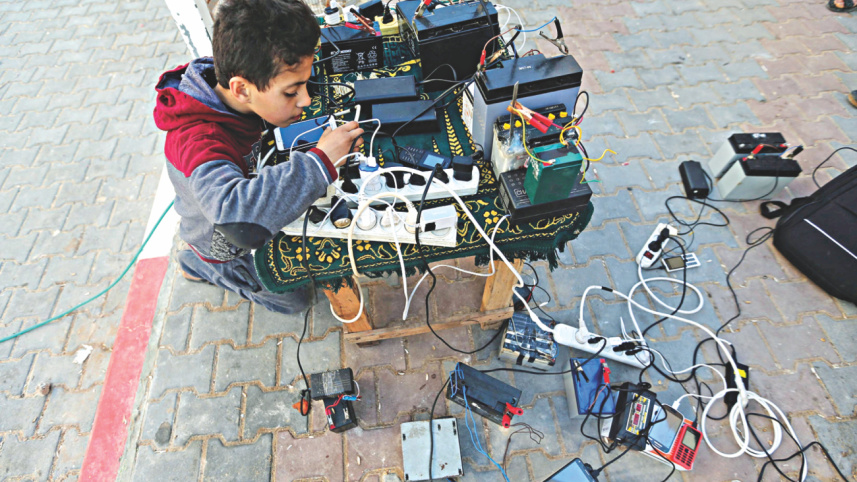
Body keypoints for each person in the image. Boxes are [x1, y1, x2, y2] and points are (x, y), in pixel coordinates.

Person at [153, 0, 364, 314]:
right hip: (223, 244)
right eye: (292, 92)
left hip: (239, 187)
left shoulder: (240, 75)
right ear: (242, 90)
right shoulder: (199, 141)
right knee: (296, 300)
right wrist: (320, 163)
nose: (305, 100)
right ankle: (199, 265)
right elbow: (236, 218)